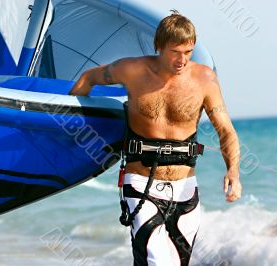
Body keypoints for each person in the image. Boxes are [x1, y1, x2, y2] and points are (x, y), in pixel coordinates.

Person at [69, 10, 242, 266]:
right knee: (159, 262)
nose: (182, 59)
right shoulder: (132, 70)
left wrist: (233, 172)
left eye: (188, 51)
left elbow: (226, 130)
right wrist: (72, 126)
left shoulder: (204, 79)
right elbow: (88, 79)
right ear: (159, 46)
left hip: (185, 191)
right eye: (175, 51)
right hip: (141, 185)